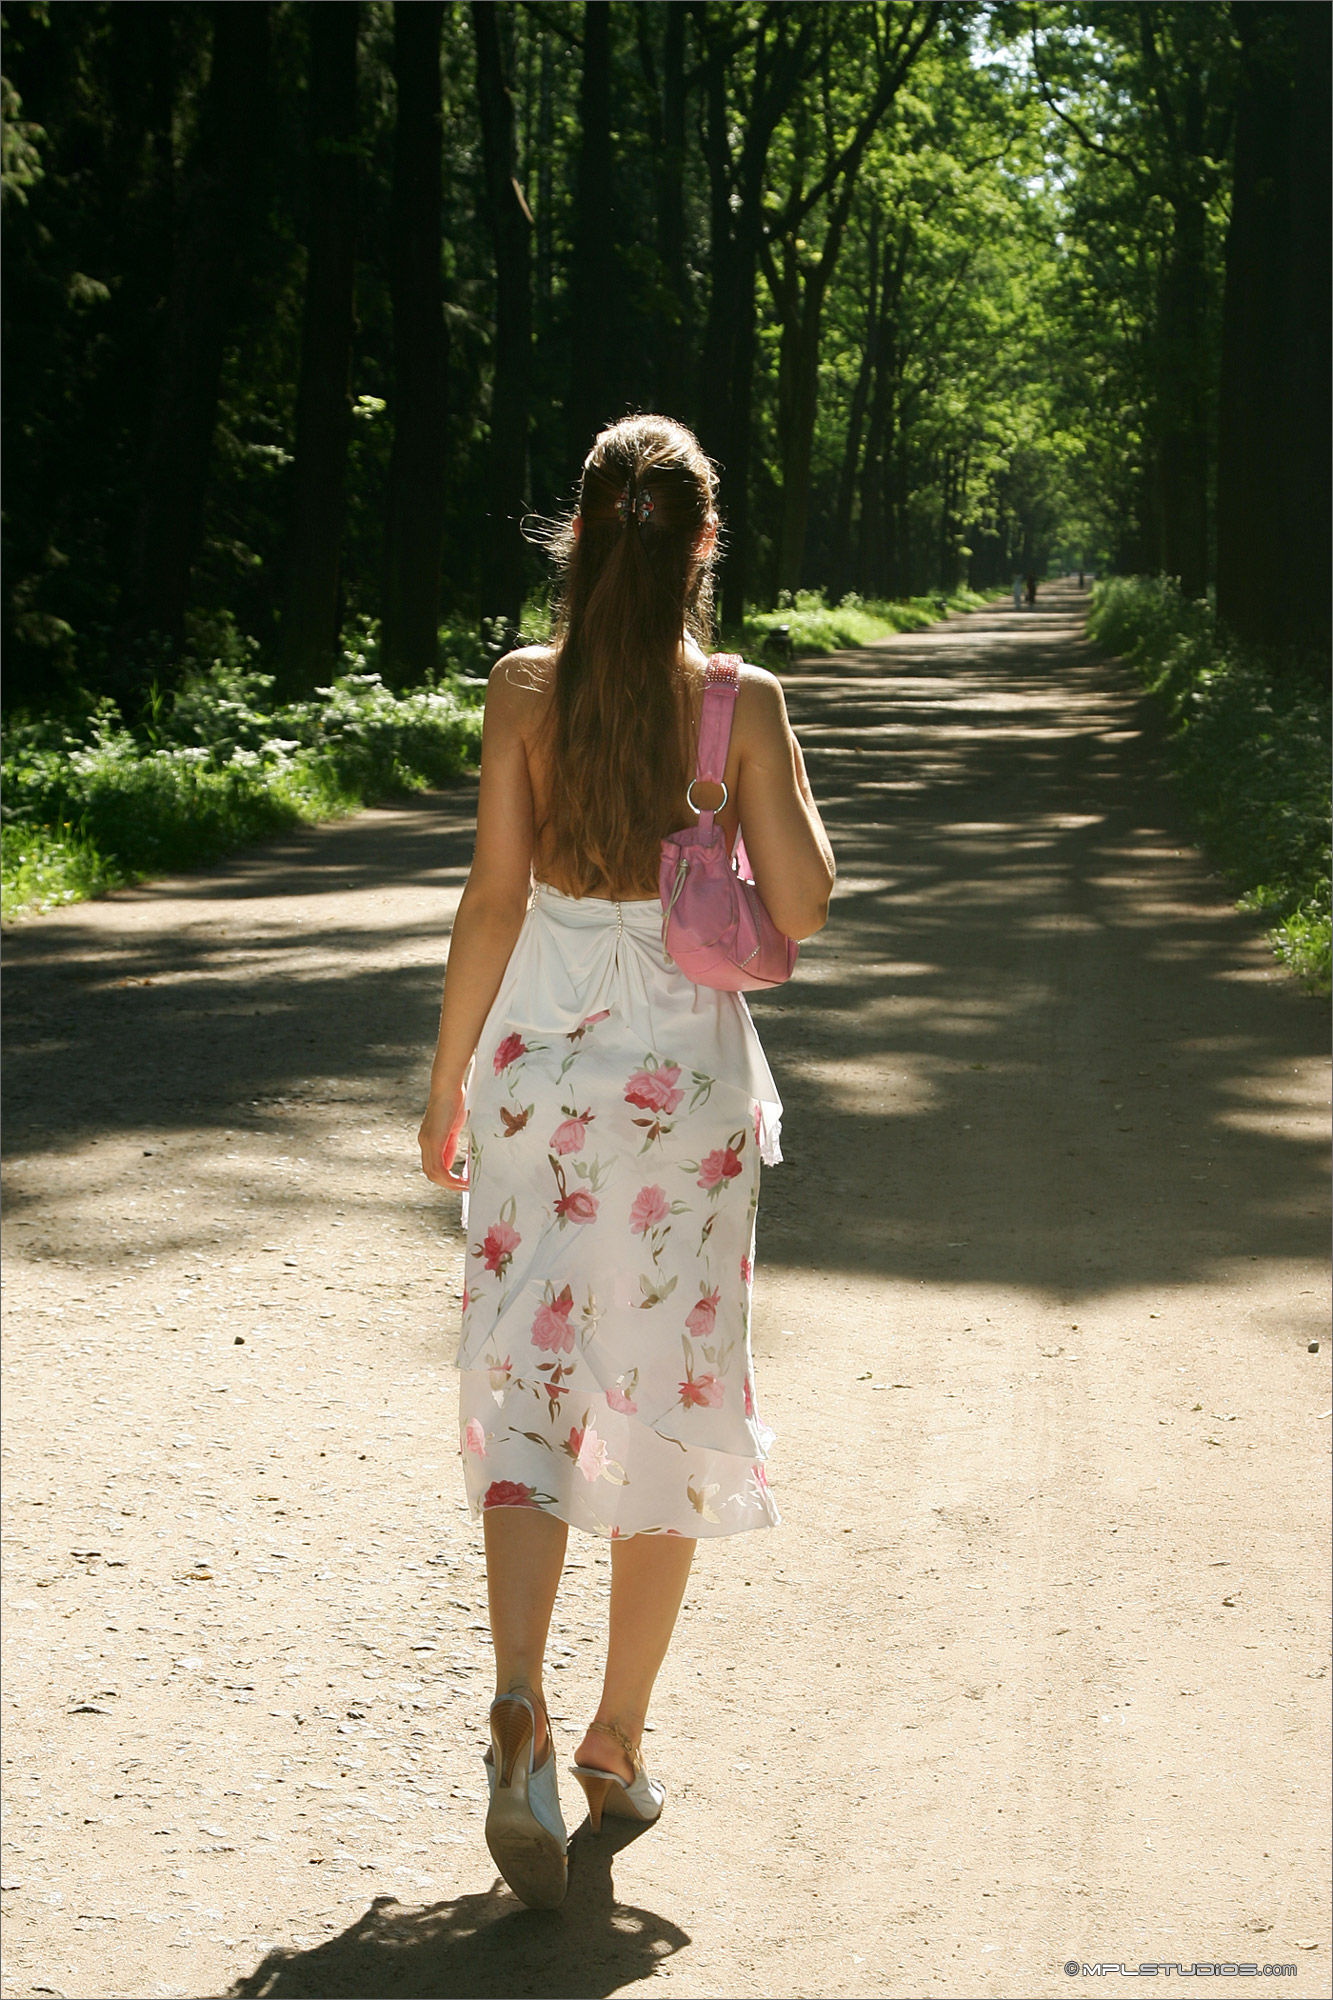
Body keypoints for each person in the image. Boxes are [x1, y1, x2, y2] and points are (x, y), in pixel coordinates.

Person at [417, 414, 835, 1909]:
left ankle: (517, 1704)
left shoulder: (523, 687)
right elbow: (804, 905)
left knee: (531, 1378)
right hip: (681, 1090)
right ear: (705, 541)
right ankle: (615, 1737)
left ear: (580, 531)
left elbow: (492, 893)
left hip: (536, 1066)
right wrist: (742, 797)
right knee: (665, 1389)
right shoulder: (738, 703)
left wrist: (449, 1083)